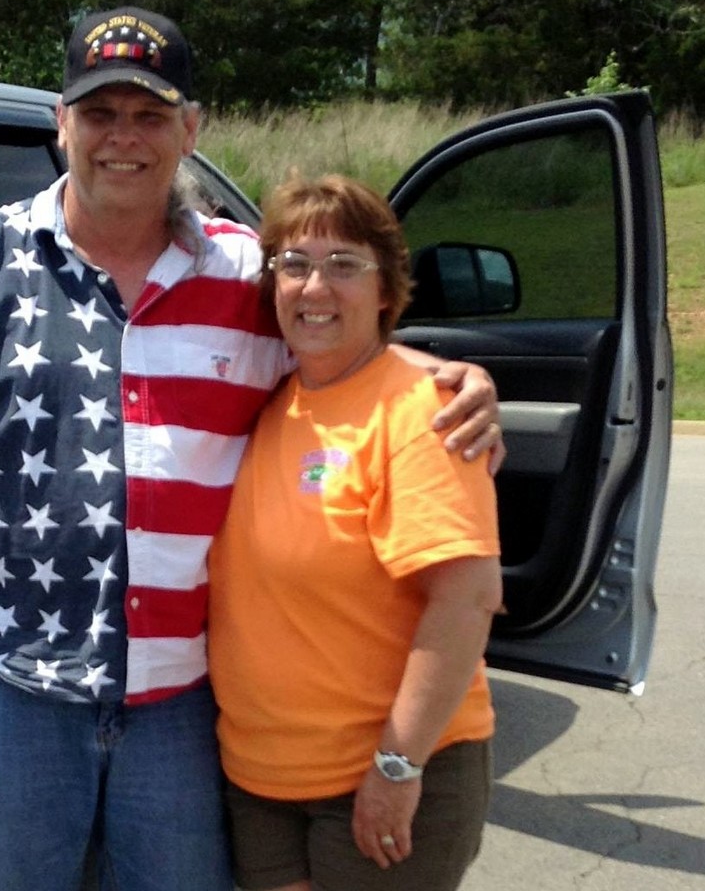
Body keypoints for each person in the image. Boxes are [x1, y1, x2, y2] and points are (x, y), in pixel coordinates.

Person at [0, 6, 502, 891]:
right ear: (61, 123)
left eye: (150, 115)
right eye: (100, 113)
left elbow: (341, 350)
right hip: (12, 688)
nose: (124, 137)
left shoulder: (247, 275)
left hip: (184, 702)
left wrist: (448, 377)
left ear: (190, 130)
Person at [208, 174, 503, 891]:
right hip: (260, 782)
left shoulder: (421, 412)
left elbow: (466, 598)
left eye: (344, 264)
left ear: (386, 289)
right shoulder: (274, 400)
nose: (315, 287)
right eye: (295, 265)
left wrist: (397, 767)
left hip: (378, 777)